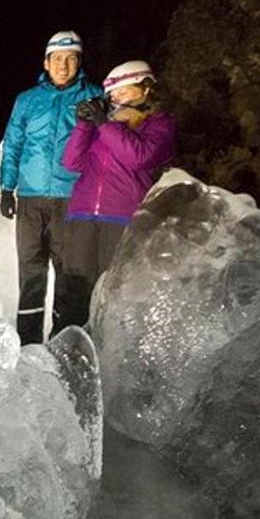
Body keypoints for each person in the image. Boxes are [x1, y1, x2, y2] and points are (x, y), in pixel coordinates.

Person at [0, 30, 103, 344]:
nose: (64, 65)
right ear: (46, 62)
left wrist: (102, 120)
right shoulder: (27, 100)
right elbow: (13, 144)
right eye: (57, 59)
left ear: (80, 62)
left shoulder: (95, 96)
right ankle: (28, 342)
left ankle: (62, 342)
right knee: (31, 272)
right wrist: (7, 188)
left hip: (71, 199)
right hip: (30, 198)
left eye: (71, 59)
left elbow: (109, 145)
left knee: (67, 274)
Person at [61, 59, 177, 326]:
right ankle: (66, 355)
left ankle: (106, 359)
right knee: (74, 295)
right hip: (82, 214)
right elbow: (71, 163)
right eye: (112, 95)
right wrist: (83, 125)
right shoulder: (106, 126)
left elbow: (139, 156)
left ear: (146, 89)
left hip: (123, 217)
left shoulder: (160, 124)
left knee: (112, 296)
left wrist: (104, 124)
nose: (116, 100)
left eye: (123, 92)